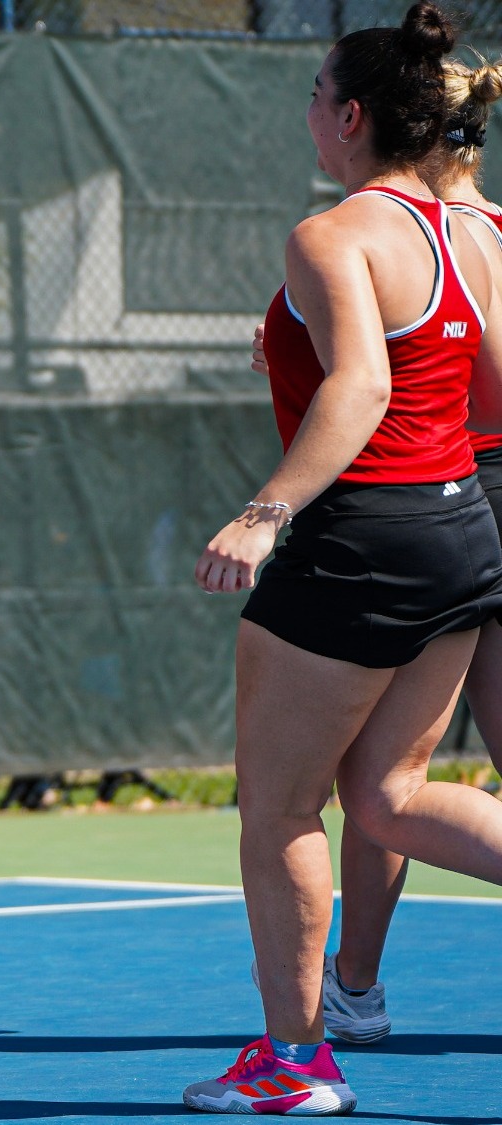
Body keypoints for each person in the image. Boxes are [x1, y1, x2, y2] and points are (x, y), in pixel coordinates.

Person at [185, 6, 502, 1114]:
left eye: (316, 95)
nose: (308, 114)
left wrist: (264, 512)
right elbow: (461, 393)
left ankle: (291, 1063)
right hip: (461, 526)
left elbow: (362, 388)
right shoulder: (464, 228)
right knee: (387, 794)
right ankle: (311, 1037)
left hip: (364, 534)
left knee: (277, 810)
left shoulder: (332, 233)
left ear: (351, 115)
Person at [277, 53, 502, 1052]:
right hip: (461, 499)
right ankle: (352, 991)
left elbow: (422, 385)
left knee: (373, 785)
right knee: (385, 782)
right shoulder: (461, 234)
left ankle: (347, 998)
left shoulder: (433, 235)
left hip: (448, 495)